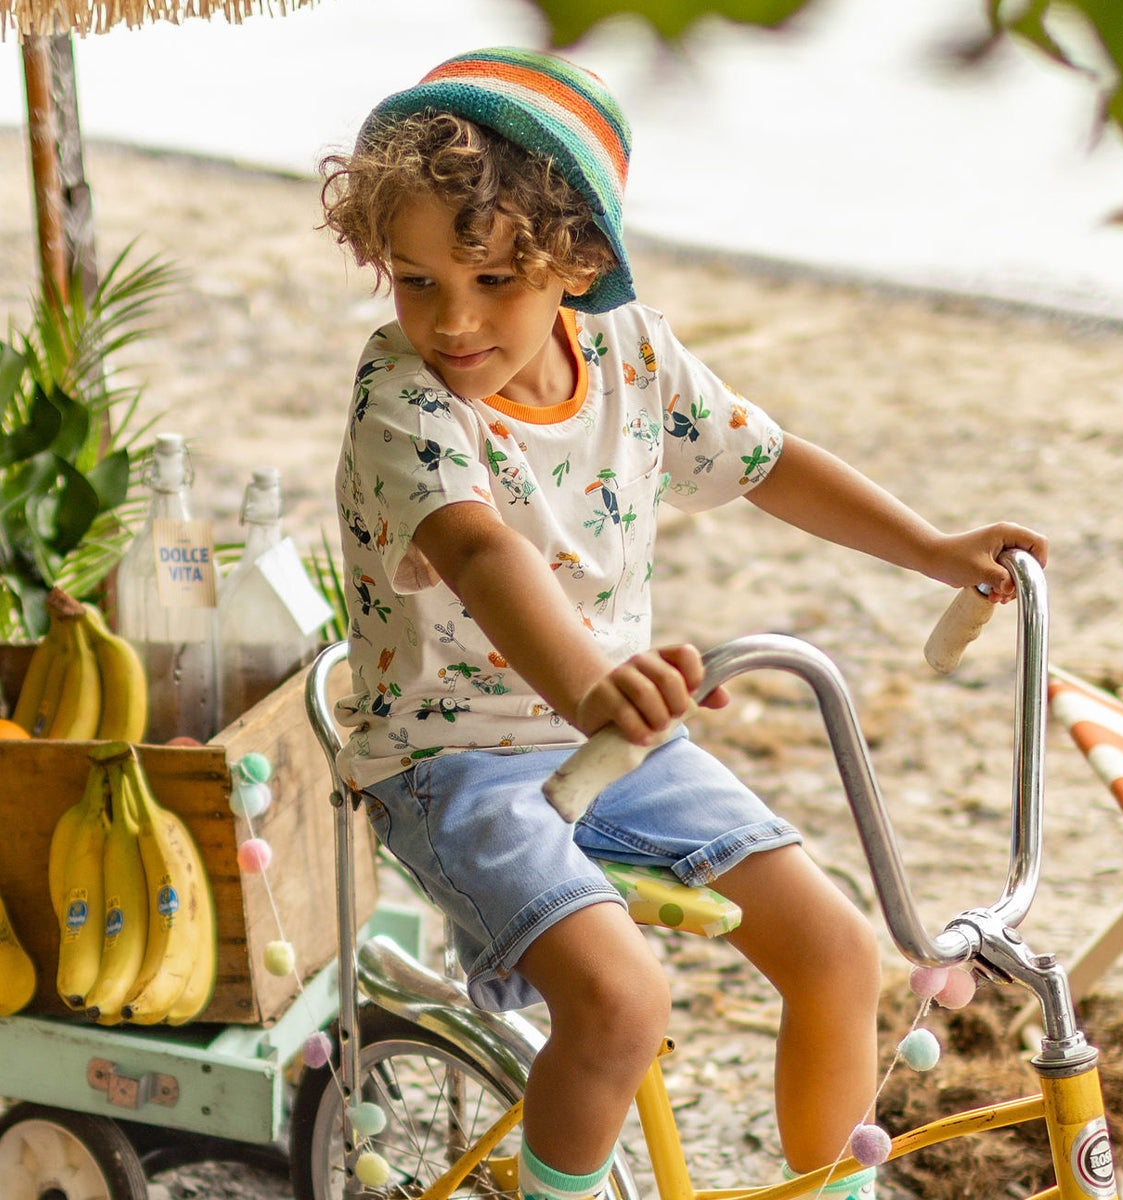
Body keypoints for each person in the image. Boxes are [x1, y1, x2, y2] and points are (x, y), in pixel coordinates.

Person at [320, 47, 1048, 1200]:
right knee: (622, 998)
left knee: (839, 953)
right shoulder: (400, 398)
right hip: (453, 758)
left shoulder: (632, 351)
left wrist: (934, 548)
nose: (452, 324)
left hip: (618, 738)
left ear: (578, 261)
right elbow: (478, 549)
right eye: (417, 283)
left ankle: (833, 1192)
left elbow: (766, 463)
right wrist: (589, 690)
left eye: (496, 281)